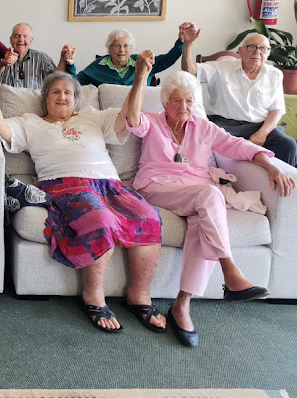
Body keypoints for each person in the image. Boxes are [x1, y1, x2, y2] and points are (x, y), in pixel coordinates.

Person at [0, 58, 166, 334]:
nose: (62, 96)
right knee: (99, 220)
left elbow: (127, 116)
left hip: (110, 184)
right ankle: (93, 295)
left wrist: (139, 78)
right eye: (55, 92)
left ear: (76, 100)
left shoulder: (92, 116)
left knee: (148, 217)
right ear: (45, 100)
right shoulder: (30, 122)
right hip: (65, 185)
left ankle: (139, 295)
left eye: (67, 92)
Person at [126, 67, 295, 346]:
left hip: (195, 192)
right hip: (157, 187)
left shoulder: (203, 126)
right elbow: (132, 120)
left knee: (202, 222)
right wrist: (140, 78)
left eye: (190, 101)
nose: (185, 106)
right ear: (165, 102)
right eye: (178, 101)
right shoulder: (153, 121)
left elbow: (237, 146)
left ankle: (182, 304)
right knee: (211, 195)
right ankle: (230, 271)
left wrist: (271, 167)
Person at [181, 25, 297, 166]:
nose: (257, 52)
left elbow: (277, 110)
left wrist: (263, 132)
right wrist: (188, 44)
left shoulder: (275, 74)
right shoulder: (222, 67)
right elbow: (189, 70)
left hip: (259, 126)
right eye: (252, 47)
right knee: (202, 141)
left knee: (288, 145)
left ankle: (282, 184)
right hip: (224, 125)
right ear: (240, 51)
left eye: (263, 48)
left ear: (268, 53)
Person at [70, 24, 190, 86]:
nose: (121, 50)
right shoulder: (98, 65)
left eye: (126, 46)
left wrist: (181, 41)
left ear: (131, 48)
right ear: (110, 48)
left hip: (141, 112)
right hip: (110, 114)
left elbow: (169, 58)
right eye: (116, 45)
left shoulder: (143, 61)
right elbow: (74, 83)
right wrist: (70, 64)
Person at [0, 23, 76, 89]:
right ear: (11, 39)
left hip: (34, 107)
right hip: (4, 106)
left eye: (25, 36)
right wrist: (3, 63)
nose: (21, 40)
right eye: (17, 36)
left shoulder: (42, 58)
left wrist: (62, 59)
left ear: (31, 41)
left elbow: (56, 80)